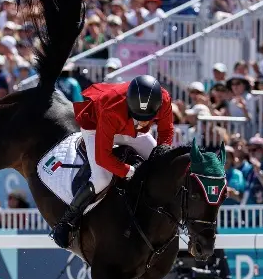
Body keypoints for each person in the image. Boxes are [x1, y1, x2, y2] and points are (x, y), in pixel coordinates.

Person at [50, 75, 173, 248]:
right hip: (96, 125)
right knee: (102, 178)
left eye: (148, 117)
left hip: (132, 131)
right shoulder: (112, 107)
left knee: (161, 168)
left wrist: (161, 156)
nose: (143, 121)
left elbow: (166, 131)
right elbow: (103, 156)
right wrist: (130, 171)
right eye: (139, 115)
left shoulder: (164, 99)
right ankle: (67, 221)